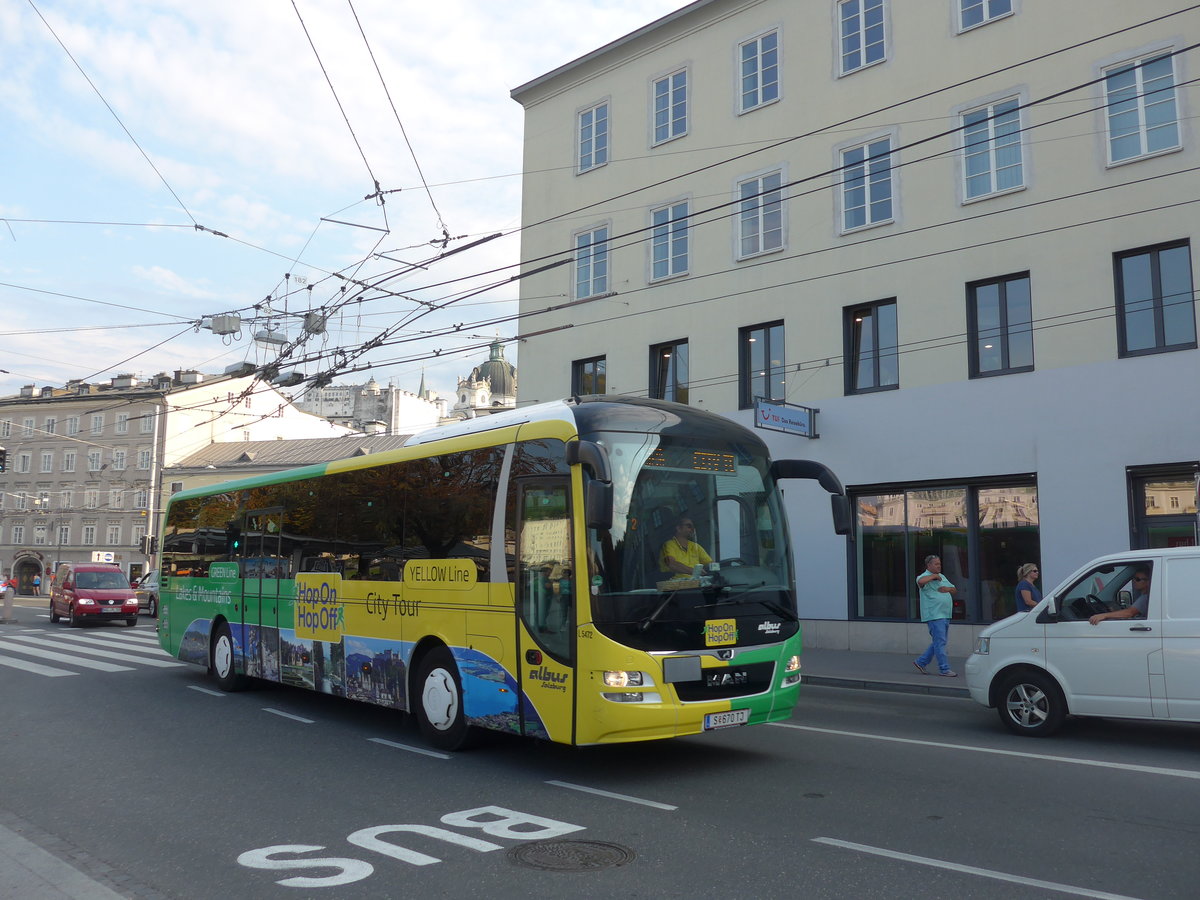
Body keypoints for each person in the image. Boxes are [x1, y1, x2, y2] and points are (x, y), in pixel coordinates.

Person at [913, 554, 958, 677]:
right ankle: (944, 669)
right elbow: (920, 582)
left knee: (939, 642)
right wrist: (933, 576)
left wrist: (947, 589)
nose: (939, 566)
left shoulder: (942, 576)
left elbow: (954, 589)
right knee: (940, 642)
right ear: (929, 565)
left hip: (945, 614)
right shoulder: (923, 577)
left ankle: (921, 662)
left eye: (939, 564)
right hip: (934, 614)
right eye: (936, 564)